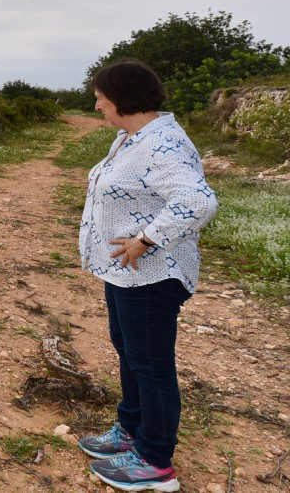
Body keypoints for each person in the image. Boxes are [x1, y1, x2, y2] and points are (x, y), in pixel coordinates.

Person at [77, 60, 218, 492]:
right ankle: (130, 430)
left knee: (152, 365)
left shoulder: (162, 143)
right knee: (129, 351)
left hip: (152, 275)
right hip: (126, 274)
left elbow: (197, 201)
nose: (98, 104)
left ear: (121, 97)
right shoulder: (132, 137)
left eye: (101, 96)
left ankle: (155, 462)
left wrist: (146, 239)